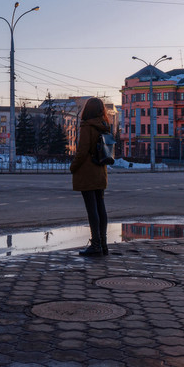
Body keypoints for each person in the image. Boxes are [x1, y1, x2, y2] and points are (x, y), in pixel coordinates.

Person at [69, 97, 112, 257]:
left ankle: (95, 245)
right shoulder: (105, 126)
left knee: (92, 209)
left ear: (88, 110)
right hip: (101, 171)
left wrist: (73, 167)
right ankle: (103, 244)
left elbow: (81, 152)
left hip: (88, 172)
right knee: (101, 208)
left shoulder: (87, 127)